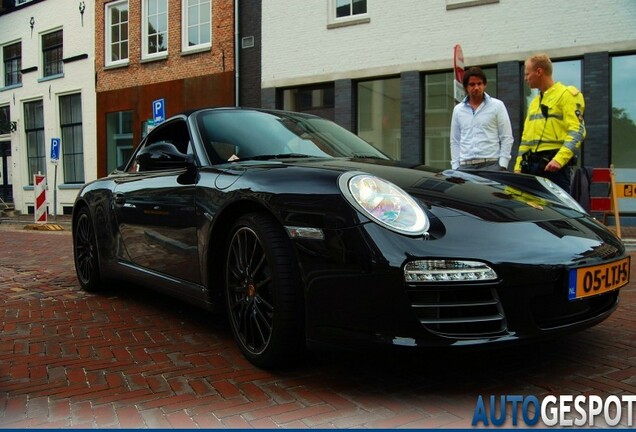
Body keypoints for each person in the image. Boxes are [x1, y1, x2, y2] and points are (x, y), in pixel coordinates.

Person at [514, 53, 586, 191]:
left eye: (527, 74)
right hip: (531, 167)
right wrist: (518, 166)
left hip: (555, 168)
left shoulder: (567, 95)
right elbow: (526, 139)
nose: (525, 78)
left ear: (539, 72)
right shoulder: (535, 102)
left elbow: (578, 131)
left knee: (558, 211)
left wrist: (559, 159)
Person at [450, 66, 513, 171]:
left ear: (485, 85)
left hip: (491, 165)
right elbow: (455, 141)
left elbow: (507, 137)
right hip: (465, 167)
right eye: (472, 84)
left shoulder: (497, 106)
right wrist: (456, 167)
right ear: (466, 87)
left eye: (479, 84)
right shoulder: (458, 110)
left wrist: (502, 165)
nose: (476, 87)